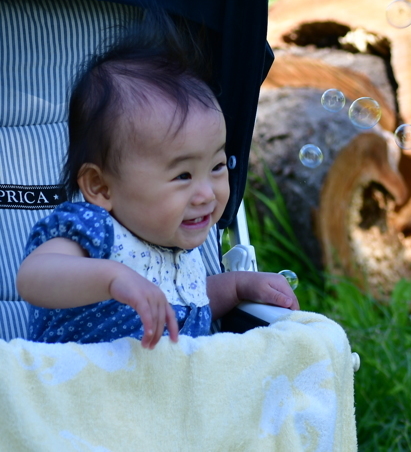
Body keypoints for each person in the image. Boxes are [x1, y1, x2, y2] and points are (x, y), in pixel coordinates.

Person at [16, 20, 298, 349]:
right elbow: (33, 277)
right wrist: (111, 278)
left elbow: (193, 304)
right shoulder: (95, 229)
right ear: (101, 187)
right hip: (81, 390)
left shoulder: (182, 248)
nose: (207, 194)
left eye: (217, 166)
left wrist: (236, 287)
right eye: (183, 176)